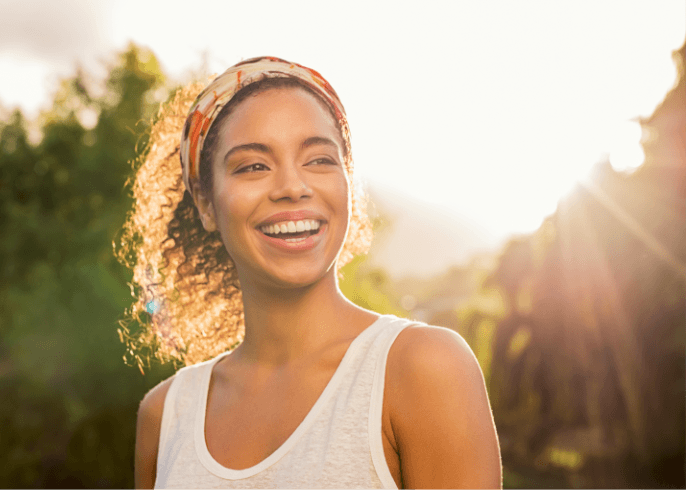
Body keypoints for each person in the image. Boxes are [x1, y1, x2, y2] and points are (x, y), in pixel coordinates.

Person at [126, 56, 501, 489]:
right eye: (253, 166)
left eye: (319, 160)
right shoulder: (165, 415)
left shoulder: (423, 368)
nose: (292, 186)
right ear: (206, 203)